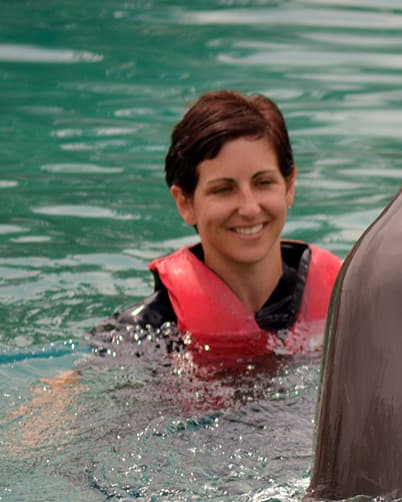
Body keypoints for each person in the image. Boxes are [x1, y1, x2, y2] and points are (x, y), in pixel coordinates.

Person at [105, 90, 341, 362]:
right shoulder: (146, 333)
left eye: (263, 183)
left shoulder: (345, 299)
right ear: (185, 203)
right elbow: (66, 392)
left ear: (289, 186)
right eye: (223, 189)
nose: (250, 208)